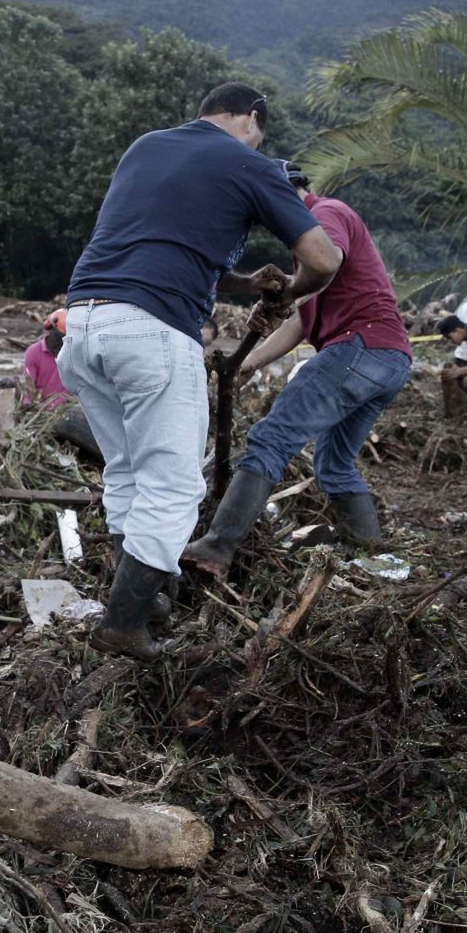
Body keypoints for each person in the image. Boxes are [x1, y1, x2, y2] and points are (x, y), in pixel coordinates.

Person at [58, 83, 342, 660]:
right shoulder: (250, 161)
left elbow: (168, 248)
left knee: (129, 472)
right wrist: (288, 292)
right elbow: (323, 259)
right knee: (175, 484)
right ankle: (123, 622)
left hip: (85, 323)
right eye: (260, 130)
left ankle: (147, 598)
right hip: (152, 332)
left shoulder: (146, 147)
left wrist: (245, 284)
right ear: (253, 118)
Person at [182, 160, 409, 573]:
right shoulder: (309, 252)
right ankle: (373, 560)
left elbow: (330, 262)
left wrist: (286, 291)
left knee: (271, 438)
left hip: (360, 345)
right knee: (334, 466)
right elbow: (302, 321)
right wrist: (249, 361)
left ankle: (217, 546)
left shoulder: (327, 215)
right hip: (388, 357)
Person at [23, 308, 70, 406]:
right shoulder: (34, 352)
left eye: (66, 340)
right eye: (59, 338)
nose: (62, 343)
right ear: (50, 330)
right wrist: (29, 404)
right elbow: (29, 387)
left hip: (65, 409)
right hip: (40, 407)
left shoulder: (72, 355)